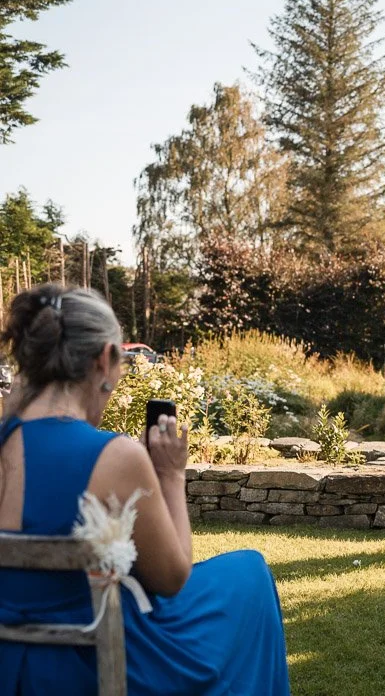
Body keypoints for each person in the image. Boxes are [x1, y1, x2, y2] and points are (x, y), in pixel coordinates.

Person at [0, 285, 289, 695]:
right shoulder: (115, 457)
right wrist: (170, 474)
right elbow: (171, 578)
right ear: (104, 359)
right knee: (250, 574)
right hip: (95, 664)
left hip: (9, 661)